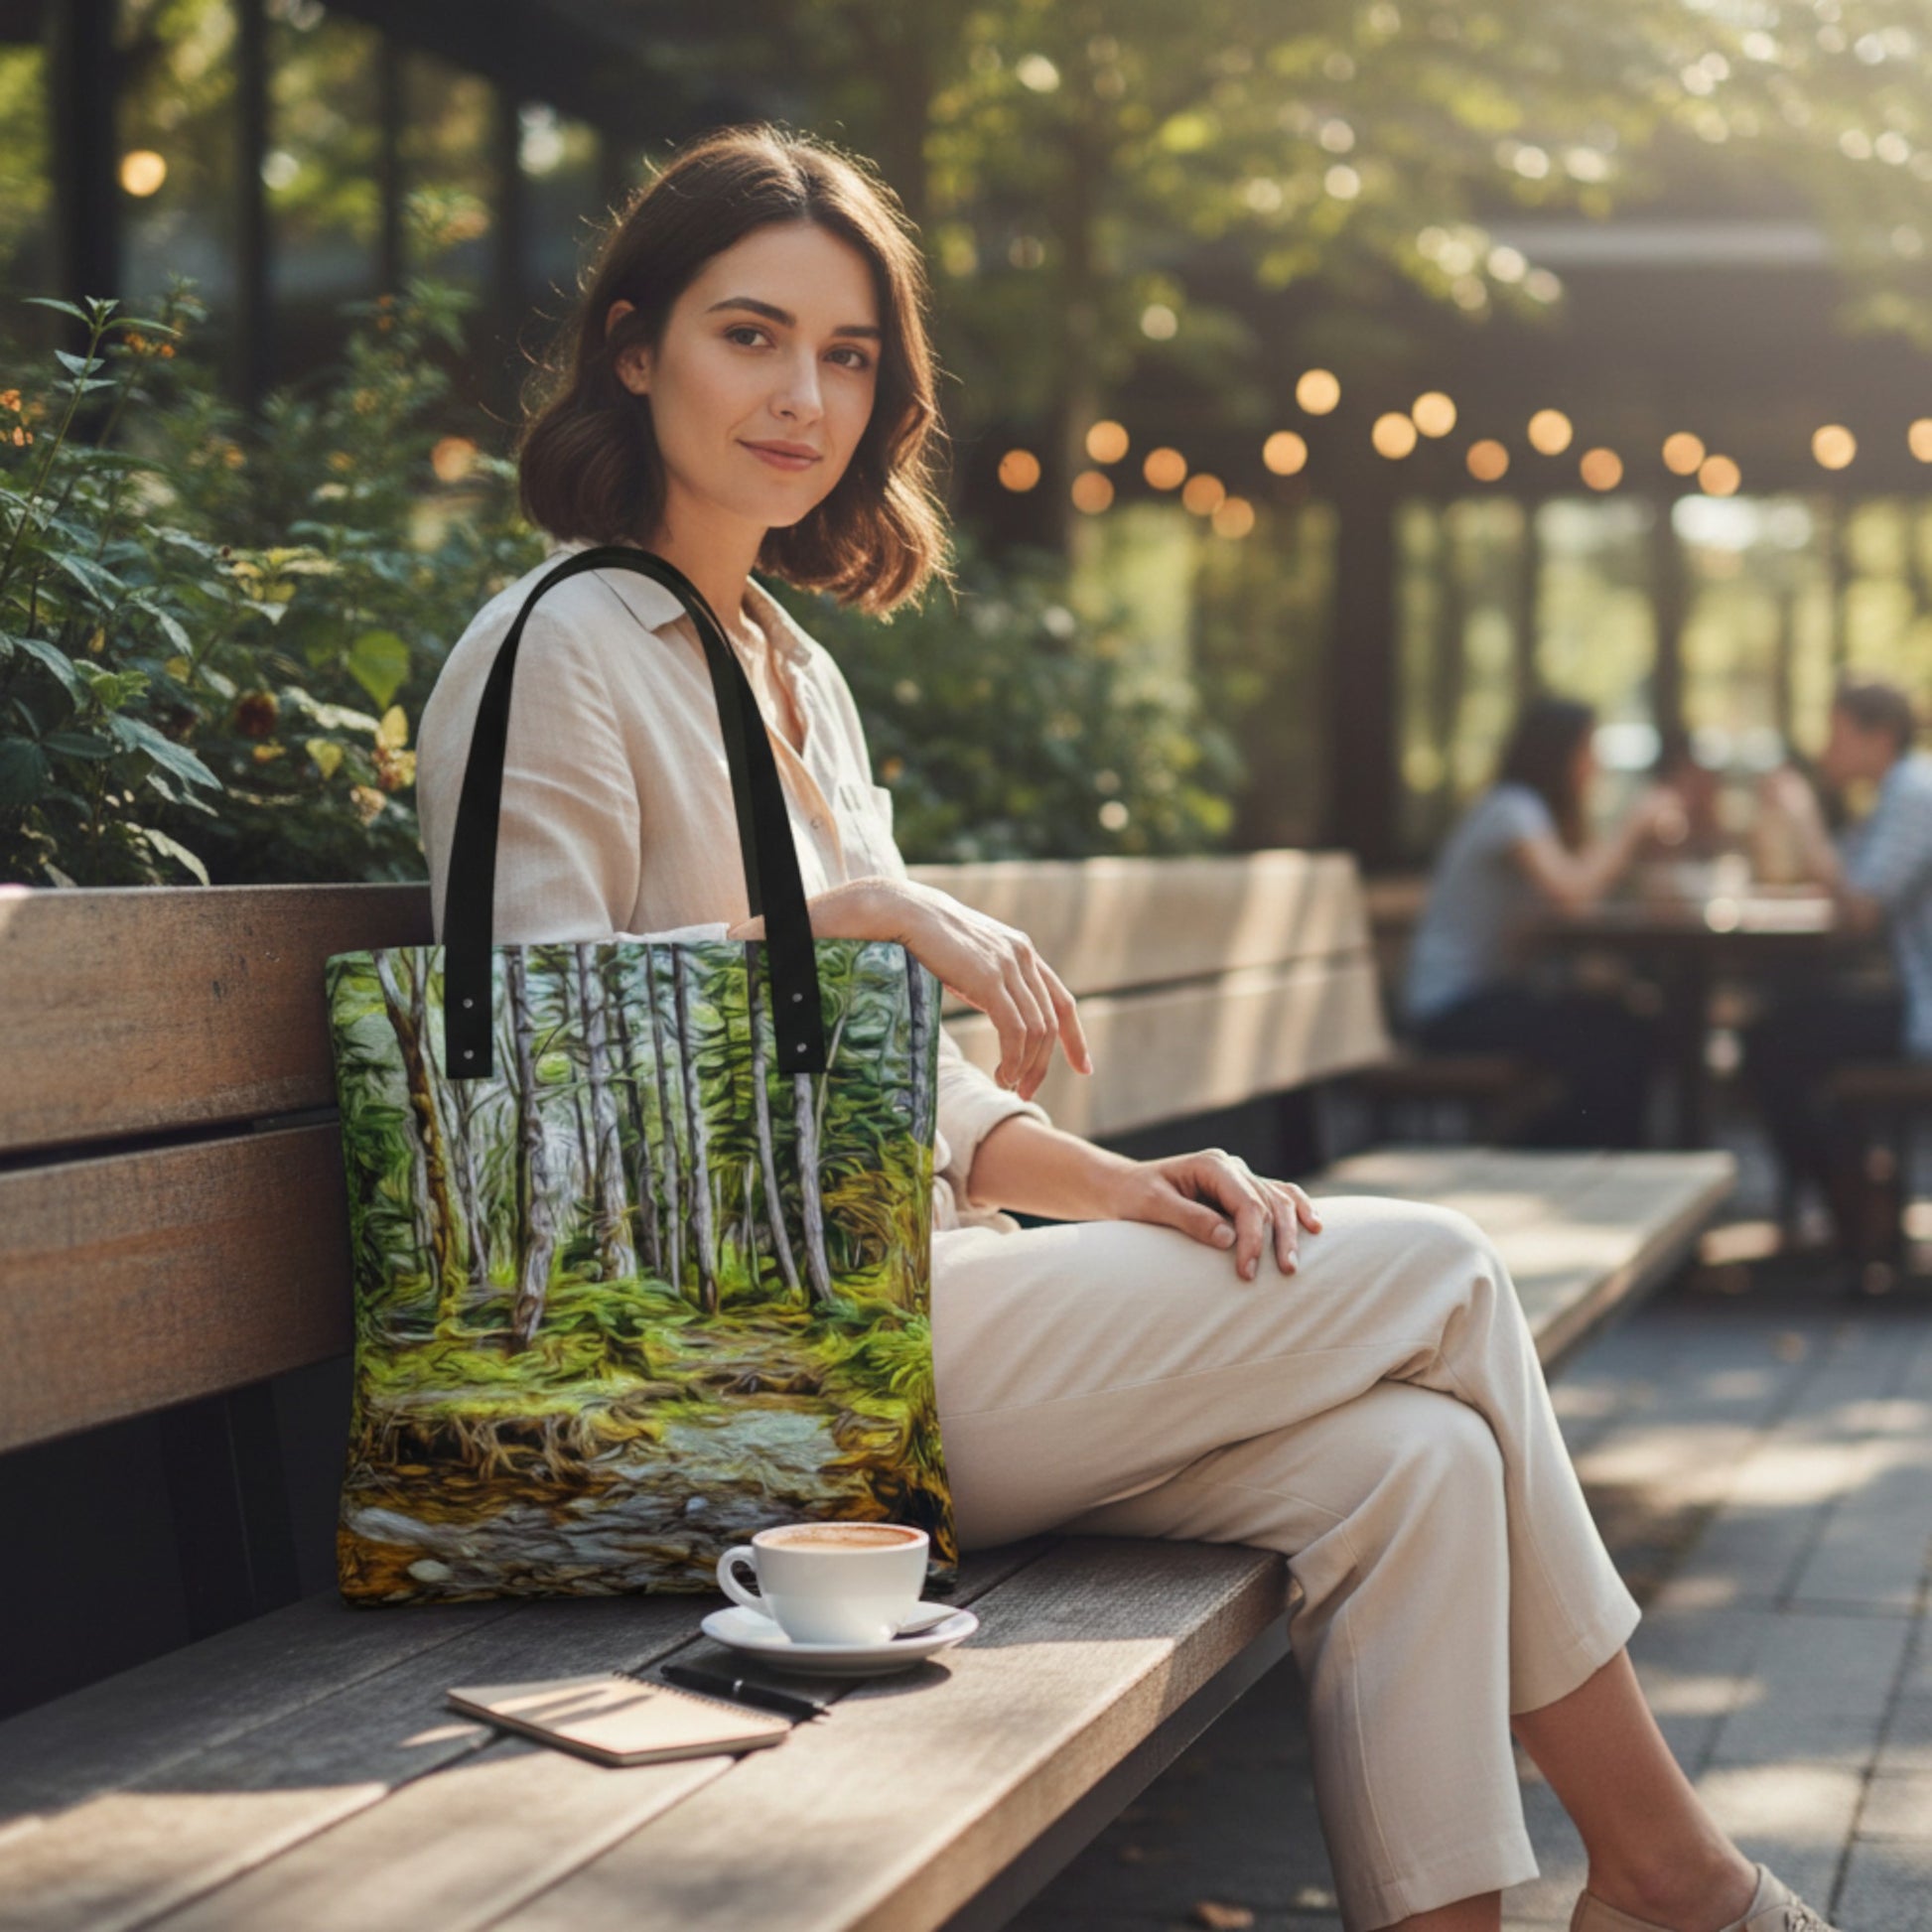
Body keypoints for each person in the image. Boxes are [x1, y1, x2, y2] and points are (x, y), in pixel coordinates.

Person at [413, 125, 1833, 1932]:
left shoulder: (792, 668)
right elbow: (528, 1055)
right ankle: (1670, 1878)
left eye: (848, 356)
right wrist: (845, 914)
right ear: (633, 346)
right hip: (720, 1372)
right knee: (1450, 1272)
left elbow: (904, 1082)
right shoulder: (548, 648)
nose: (803, 395)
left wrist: (1118, 1185)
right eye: (747, 335)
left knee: (1420, 1467)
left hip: (916, 1311)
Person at [1402, 699, 1682, 1149]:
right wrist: (1631, 827)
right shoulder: (1512, 808)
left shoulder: (1534, 815)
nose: (1597, 766)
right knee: (1616, 1037)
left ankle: (1574, 1152)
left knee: (1622, 1024)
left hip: (1490, 998)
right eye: (1589, 750)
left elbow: (1578, 900)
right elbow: (1572, 895)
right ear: (1559, 753)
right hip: (1450, 1010)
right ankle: (1580, 1157)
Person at [1742, 677, 1932, 1246]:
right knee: (1783, 1032)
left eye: (1838, 735)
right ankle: (1852, 1201)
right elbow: (1833, 879)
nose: (1828, 751)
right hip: (1907, 999)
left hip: (1922, 1014)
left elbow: (1859, 909)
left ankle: (1853, 1205)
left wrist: (1803, 819)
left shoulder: (1914, 793)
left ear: (1882, 737)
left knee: (1774, 1040)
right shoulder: (1895, 795)